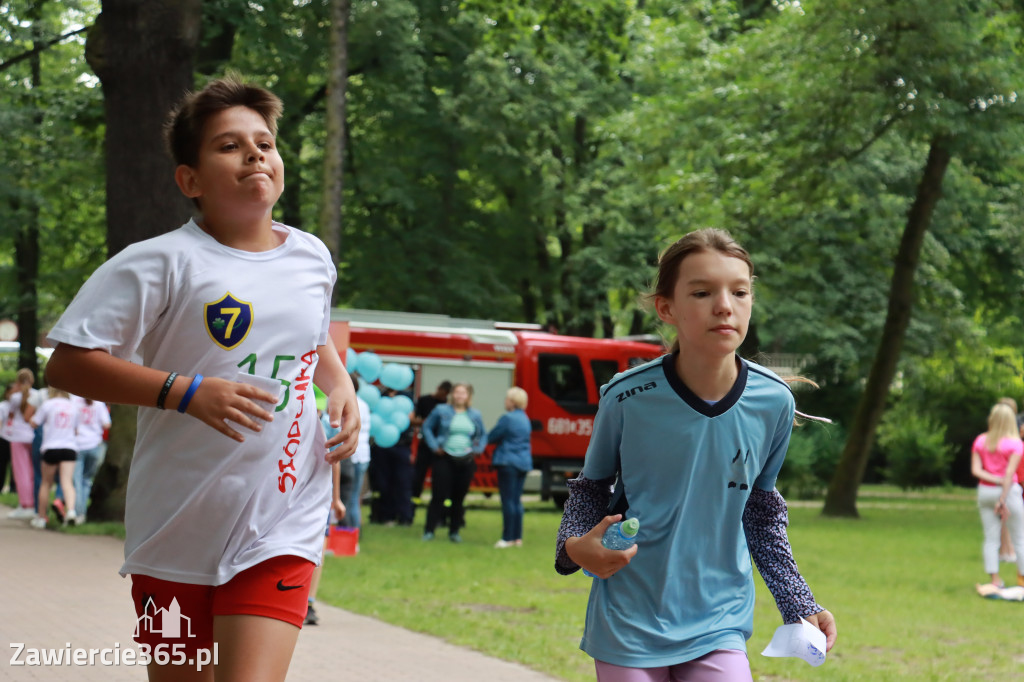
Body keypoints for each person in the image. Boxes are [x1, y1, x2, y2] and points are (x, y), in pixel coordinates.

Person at [44, 75, 360, 682]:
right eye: (229, 145)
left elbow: (311, 340)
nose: (254, 155)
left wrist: (340, 386)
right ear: (189, 179)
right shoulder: (158, 263)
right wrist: (183, 393)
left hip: (282, 520)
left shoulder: (311, 257)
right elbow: (68, 362)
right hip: (177, 527)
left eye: (265, 143)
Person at [555, 228, 836, 681]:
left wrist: (797, 601)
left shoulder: (774, 402)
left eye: (740, 292)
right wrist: (573, 548)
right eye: (702, 292)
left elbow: (760, 513)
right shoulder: (626, 397)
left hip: (718, 619)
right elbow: (591, 489)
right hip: (629, 616)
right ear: (667, 308)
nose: (725, 305)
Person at [421, 382, 486, 543]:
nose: (459, 396)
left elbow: (483, 434)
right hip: (445, 458)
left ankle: (454, 532)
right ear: (452, 395)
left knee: (459, 498)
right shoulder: (441, 411)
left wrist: (478, 448)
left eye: (463, 393)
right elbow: (427, 427)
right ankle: (429, 530)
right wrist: (434, 446)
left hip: (466, 459)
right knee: (438, 496)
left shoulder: (475, 414)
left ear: (468, 396)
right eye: (456, 392)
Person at [971, 402, 1024, 588]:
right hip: (1009, 493)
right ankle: (1022, 581)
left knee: (991, 539)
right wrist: (1002, 499)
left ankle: (995, 580)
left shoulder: (980, 440)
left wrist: (994, 479)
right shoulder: (1016, 444)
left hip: (985, 492)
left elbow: (976, 470)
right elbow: (1009, 473)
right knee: (1020, 537)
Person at [488, 386, 532, 548]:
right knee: (516, 501)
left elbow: (493, 436)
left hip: (508, 462)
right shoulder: (525, 419)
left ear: (512, 402)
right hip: (523, 462)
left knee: (507, 501)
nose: (505, 402)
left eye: (507, 399)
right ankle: (517, 537)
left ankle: (506, 538)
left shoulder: (507, 418)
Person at [29, 388, 79, 528]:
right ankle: (71, 511)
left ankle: (41, 518)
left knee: (46, 483)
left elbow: (34, 422)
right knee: (67, 482)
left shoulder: (47, 404)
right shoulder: (73, 407)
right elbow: (76, 430)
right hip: (69, 448)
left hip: (51, 447)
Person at [4, 369, 40, 520]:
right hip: (33, 435)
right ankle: (33, 503)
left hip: (18, 436)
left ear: (18, 382)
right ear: (32, 381)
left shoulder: (15, 397)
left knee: (21, 471)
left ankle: (26, 504)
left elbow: (10, 414)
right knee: (32, 471)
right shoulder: (37, 395)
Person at [411, 380, 451, 502]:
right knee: (418, 476)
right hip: (425, 445)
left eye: (445, 394)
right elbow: (414, 420)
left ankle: (440, 505)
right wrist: (427, 422)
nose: (442, 396)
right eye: (441, 393)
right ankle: (414, 502)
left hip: (441, 447)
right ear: (438, 388)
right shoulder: (424, 400)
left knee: (440, 478)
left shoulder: (447, 405)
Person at [73, 397, 111, 523]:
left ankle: (78, 513)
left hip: (77, 445)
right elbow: (107, 424)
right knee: (87, 480)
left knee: (76, 481)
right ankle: (82, 514)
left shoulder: (74, 400)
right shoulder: (99, 403)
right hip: (94, 445)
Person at [996, 397, 1020, 562]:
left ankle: (1005, 550)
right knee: (1009, 514)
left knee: (1005, 516)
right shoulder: (1011, 435)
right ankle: (1008, 550)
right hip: (1010, 478)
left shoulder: (992, 435)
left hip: (999, 478)